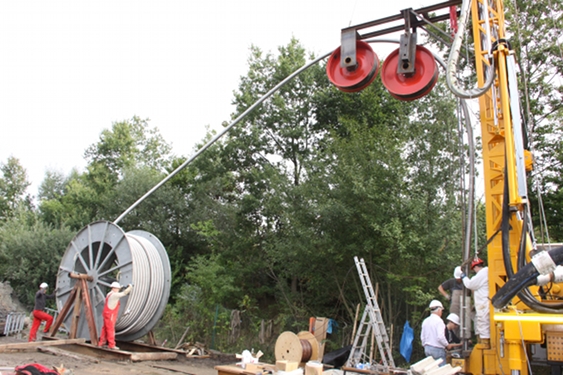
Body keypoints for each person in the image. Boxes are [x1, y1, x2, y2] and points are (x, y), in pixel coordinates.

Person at [461, 257, 489, 343]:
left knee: (483, 324)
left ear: (475, 267)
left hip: (484, 304)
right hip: (486, 302)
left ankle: (485, 343)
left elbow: (470, 284)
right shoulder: (487, 272)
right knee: (486, 324)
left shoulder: (482, 273)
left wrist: (464, 277)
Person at [98, 281, 133, 350]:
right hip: (110, 314)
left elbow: (118, 293)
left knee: (104, 329)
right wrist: (130, 287)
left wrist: (122, 287)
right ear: (113, 288)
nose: (118, 290)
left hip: (106, 313)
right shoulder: (114, 295)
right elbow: (124, 293)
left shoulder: (109, 294)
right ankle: (111, 345)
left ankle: (101, 343)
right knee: (110, 329)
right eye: (117, 288)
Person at [420, 300, 452, 365]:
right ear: (439, 310)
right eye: (441, 311)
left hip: (427, 348)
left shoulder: (425, 321)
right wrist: (447, 345)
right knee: (441, 370)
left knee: (431, 369)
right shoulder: (439, 321)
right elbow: (440, 337)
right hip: (437, 349)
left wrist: (425, 345)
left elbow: (422, 337)